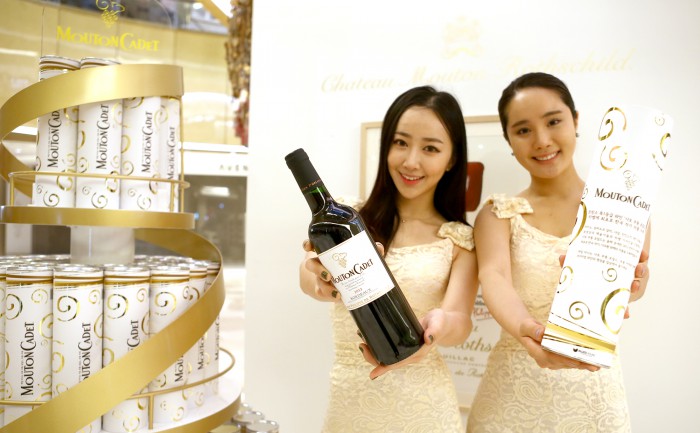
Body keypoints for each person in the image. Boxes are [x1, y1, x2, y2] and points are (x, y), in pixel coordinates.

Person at [466, 72, 650, 433]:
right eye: (523, 130)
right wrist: (528, 329)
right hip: (511, 398)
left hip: (593, 394)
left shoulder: (625, 205)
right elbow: (494, 277)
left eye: (553, 122)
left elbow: (633, 285)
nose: (542, 140)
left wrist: (635, 285)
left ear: (575, 120)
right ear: (509, 140)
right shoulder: (498, 213)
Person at [299, 85, 479, 432]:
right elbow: (307, 276)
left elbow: (460, 320)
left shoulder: (458, 238)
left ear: (452, 159)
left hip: (426, 409)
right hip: (351, 404)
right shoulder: (348, 219)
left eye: (430, 148)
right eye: (400, 143)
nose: (411, 161)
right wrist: (322, 282)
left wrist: (440, 325)